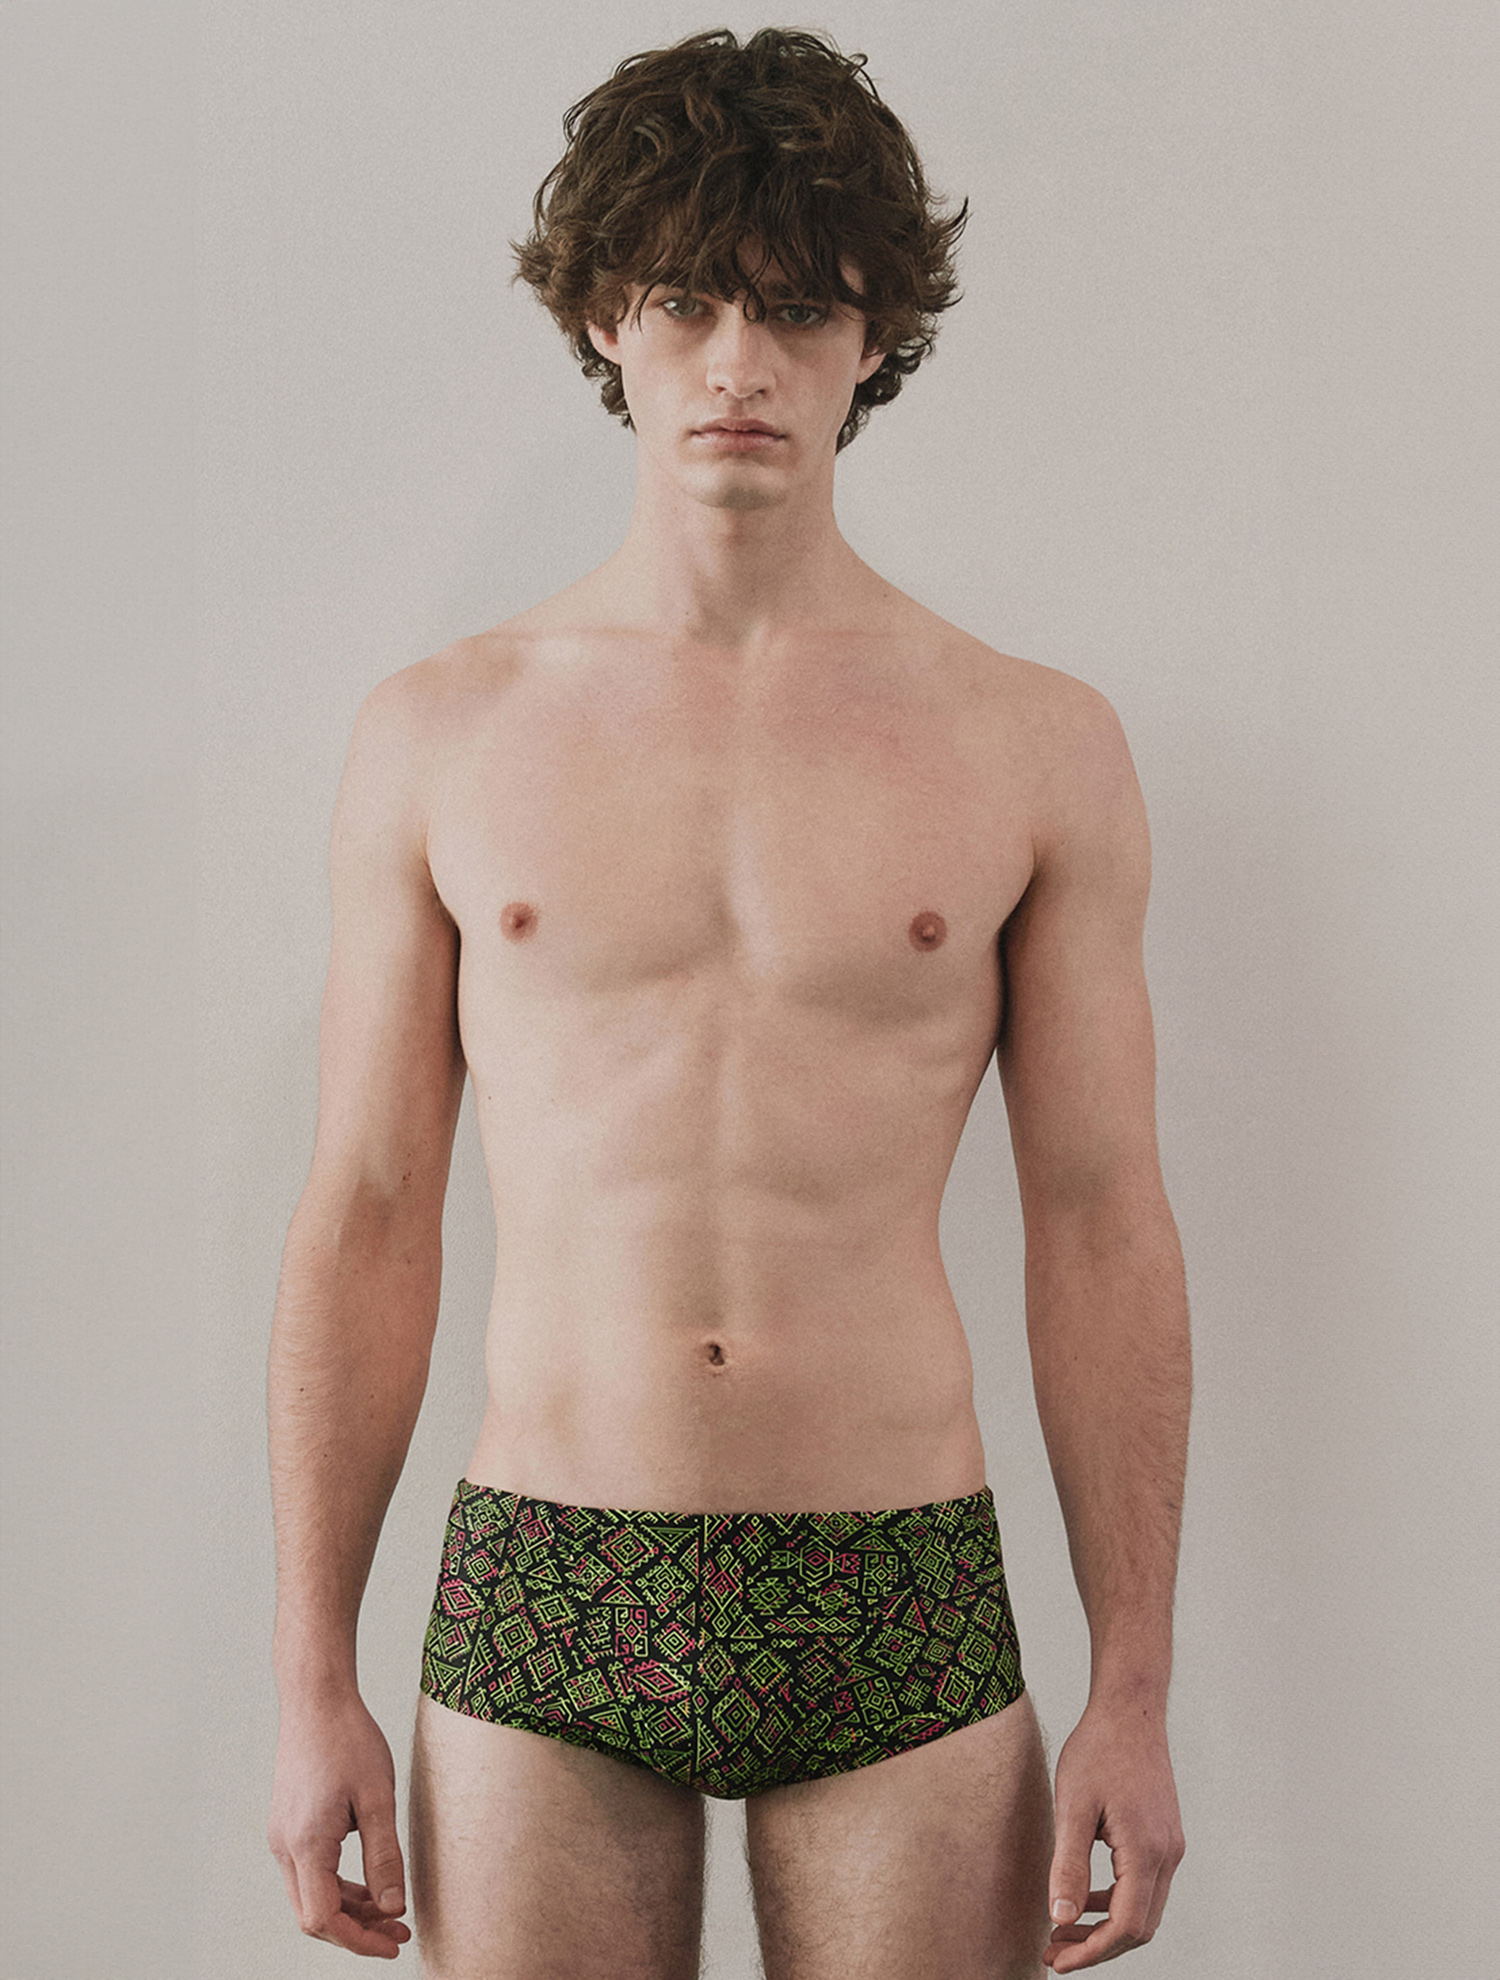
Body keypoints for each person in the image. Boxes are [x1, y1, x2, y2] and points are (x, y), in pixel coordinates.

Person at [266, 25, 1190, 1977]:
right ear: (608, 318)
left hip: (897, 1589)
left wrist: (1135, 1689)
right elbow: (366, 1207)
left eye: (796, 307)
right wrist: (305, 1677)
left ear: (876, 332)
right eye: (687, 301)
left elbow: (1103, 1216)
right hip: (549, 1582)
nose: (740, 364)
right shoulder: (444, 733)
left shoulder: (1032, 745)